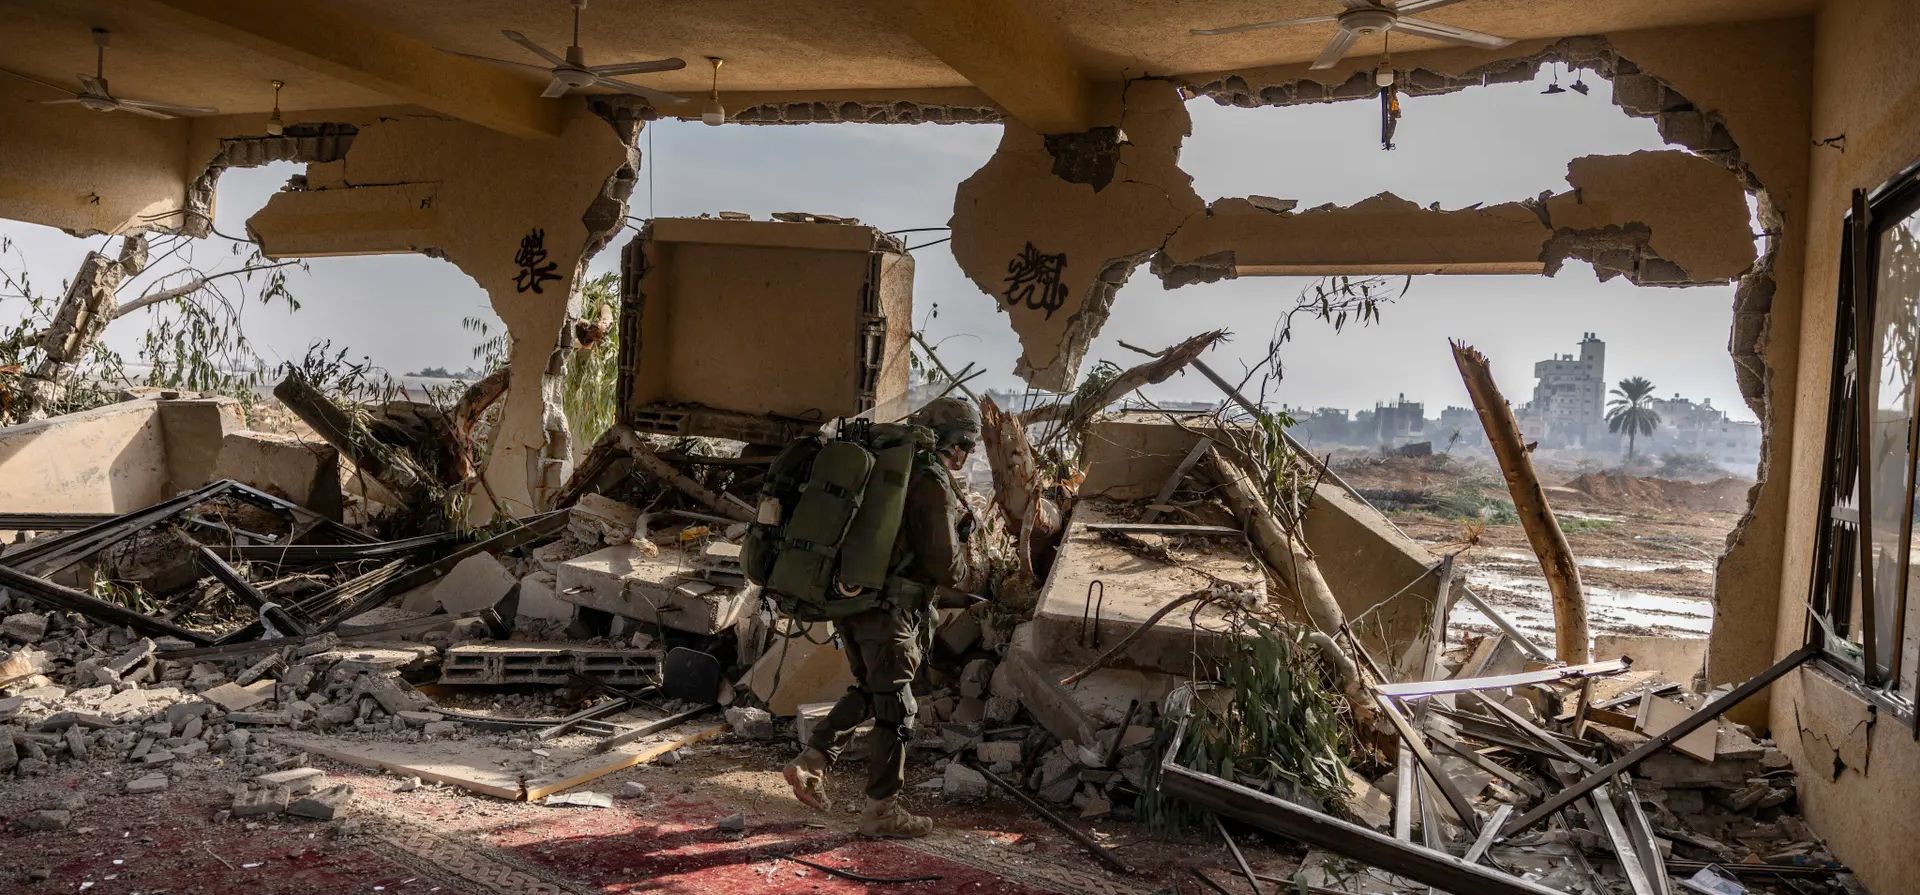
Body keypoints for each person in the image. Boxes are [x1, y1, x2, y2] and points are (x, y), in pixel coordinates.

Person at [782, 396, 979, 838]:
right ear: (956, 443)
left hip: (852, 601)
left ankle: (811, 762)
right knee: (898, 709)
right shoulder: (928, 477)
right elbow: (945, 563)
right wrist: (971, 571)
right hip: (891, 611)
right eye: (965, 446)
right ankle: (882, 813)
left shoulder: (884, 463)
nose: (964, 456)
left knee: (873, 690)